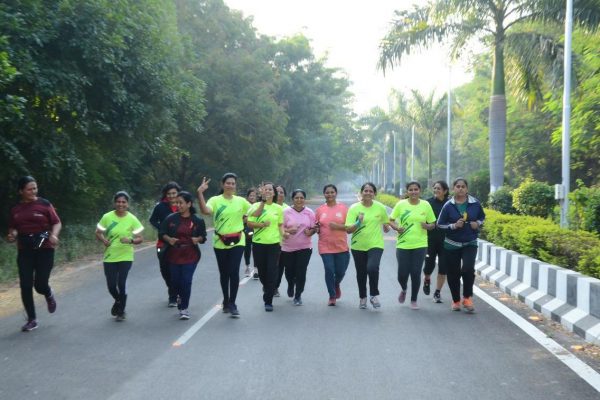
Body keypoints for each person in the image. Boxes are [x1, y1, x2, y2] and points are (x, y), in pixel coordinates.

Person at [8, 176, 62, 332]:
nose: (33, 191)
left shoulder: (44, 204)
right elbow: (13, 227)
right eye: (29, 189)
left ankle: (48, 293)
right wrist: (12, 235)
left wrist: (54, 235)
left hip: (44, 249)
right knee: (25, 285)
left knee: (40, 285)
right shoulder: (15, 209)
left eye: (35, 188)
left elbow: (56, 222)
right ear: (21, 191)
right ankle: (32, 319)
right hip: (25, 251)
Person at [197, 173, 250, 318]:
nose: (230, 185)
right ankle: (226, 300)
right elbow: (205, 211)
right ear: (222, 184)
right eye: (228, 183)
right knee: (224, 273)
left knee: (234, 271)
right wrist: (200, 193)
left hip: (238, 241)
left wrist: (263, 200)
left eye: (233, 183)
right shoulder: (215, 200)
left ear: (235, 186)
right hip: (220, 241)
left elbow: (255, 212)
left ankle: (232, 303)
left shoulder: (241, 201)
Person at [437, 178, 485, 313]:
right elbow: (440, 224)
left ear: (467, 189)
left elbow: (482, 217)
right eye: (458, 186)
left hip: (470, 242)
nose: (460, 189)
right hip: (452, 244)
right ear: (453, 189)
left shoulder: (475, 203)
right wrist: (453, 226)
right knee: (453, 273)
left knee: (468, 269)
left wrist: (477, 224)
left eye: (463, 186)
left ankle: (467, 298)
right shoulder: (448, 205)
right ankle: (456, 300)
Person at [95, 191, 144, 321]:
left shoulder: (132, 219)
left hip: (126, 255)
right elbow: (98, 232)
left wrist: (130, 240)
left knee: (121, 283)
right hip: (110, 256)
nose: (121, 204)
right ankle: (118, 300)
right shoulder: (107, 217)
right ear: (114, 203)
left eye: (123, 202)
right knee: (111, 286)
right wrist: (103, 240)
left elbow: (140, 238)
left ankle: (121, 311)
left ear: (127, 204)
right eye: (118, 202)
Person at [389, 181, 436, 310]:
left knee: (415, 273)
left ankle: (414, 300)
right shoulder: (401, 204)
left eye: (416, 189)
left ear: (420, 191)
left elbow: (433, 223)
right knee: (402, 274)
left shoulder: (425, 205)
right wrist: (396, 228)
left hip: (420, 244)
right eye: (411, 189)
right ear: (407, 191)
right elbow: (390, 220)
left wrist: (428, 226)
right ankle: (404, 288)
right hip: (403, 244)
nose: (413, 192)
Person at [159, 191, 207, 320]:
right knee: (175, 281)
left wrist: (198, 239)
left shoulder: (197, 220)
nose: (178, 205)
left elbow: (203, 237)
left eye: (181, 203)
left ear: (189, 204)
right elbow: (161, 233)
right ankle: (178, 296)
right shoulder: (171, 218)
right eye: (176, 203)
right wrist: (169, 239)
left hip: (190, 254)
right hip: (173, 254)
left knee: (186, 281)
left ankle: (184, 308)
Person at [345, 182, 390, 309]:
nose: (368, 193)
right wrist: (358, 222)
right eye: (366, 191)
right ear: (361, 193)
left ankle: (373, 295)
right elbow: (348, 230)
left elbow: (386, 224)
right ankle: (363, 297)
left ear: (374, 194)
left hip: (376, 244)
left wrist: (386, 227)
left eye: (371, 191)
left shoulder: (380, 207)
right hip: (358, 245)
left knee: (372, 268)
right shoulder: (354, 208)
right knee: (361, 272)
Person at [246, 182, 284, 312]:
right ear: (262, 192)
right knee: (262, 272)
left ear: (274, 193)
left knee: (272, 271)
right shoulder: (256, 206)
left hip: (274, 244)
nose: (268, 191)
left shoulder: (278, 208)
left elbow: (280, 225)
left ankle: (268, 301)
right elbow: (249, 223)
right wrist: (262, 225)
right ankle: (267, 287)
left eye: (270, 190)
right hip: (258, 244)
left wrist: (284, 235)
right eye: (265, 189)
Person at [315, 184, 350, 306]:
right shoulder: (320, 210)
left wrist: (337, 226)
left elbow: (350, 227)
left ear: (336, 193)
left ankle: (336, 283)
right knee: (329, 269)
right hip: (325, 246)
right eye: (327, 192)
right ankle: (332, 296)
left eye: (332, 192)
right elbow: (316, 225)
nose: (330, 194)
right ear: (324, 194)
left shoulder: (343, 208)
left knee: (341, 272)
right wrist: (316, 229)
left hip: (341, 246)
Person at [281, 189, 317, 306]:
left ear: (304, 199)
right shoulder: (286, 212)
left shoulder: (309, 212)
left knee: (301, 271)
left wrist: (310, 232)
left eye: (301, 198)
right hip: (288, 248)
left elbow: (315, 227)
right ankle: (291, 284)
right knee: (289, 271)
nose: (299, 200)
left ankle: (298, 295)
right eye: (296, 198)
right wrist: (288, 230)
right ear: (292, 199)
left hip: (305, 247)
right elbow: (279, 228)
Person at [149, 181, 181, 307]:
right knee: (165, 270)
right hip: (162, 243)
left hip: (179, 243)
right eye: (169, 194)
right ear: (165, 195)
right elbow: (152, 220)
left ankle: (173, 297)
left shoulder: (183, 205)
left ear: (178, 193)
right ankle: (172, 290)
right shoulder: (160, 207)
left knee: (176, 270)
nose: (172, 196)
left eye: (174, 193)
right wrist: (162, 228)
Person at [423, 180, 450, 303]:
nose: (436, 190)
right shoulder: (427, 203)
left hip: (446, 241)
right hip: (430, 240)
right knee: (429, 265)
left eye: (439, 188)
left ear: (445, 191)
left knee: (443, 267)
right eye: (435, 188)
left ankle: (437, 292)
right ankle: (427, 279)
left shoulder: (450, 204)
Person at [274, 184, 289, 296]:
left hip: (285, 243)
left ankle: (275, 287)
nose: (279, 194)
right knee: (272, 267)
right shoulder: (268, 207)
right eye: (277, 192)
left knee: (280, 267)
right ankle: (269, 285)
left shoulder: (288, 209)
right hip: (271, 242)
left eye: (282, 192)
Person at [244, 187, 257, 278]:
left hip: (257, 231)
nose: (252, 197)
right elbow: (243, 219)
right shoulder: (244, 206)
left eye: (254, 195)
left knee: (256, 250)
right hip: (247, 231)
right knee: (247, 249)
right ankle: (247, 266)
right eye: (250, 195)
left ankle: (256, 270)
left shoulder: (259, 206)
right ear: (247, 197)